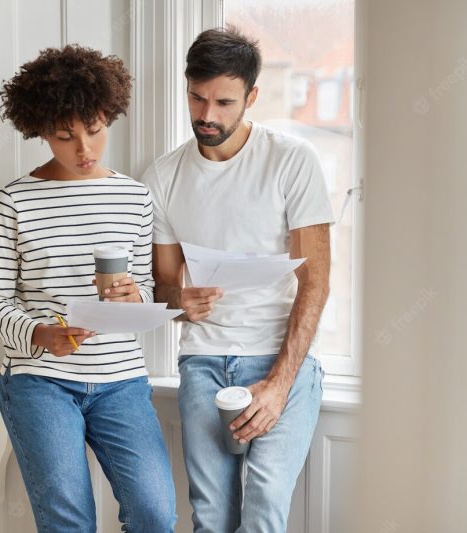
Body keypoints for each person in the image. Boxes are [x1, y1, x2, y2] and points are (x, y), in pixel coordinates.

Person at [141, 27, 334, 533]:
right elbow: (163, 289)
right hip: (202, 360)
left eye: (224, 102)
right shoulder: (163, 177)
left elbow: (317, 281)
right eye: (197, 98)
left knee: (264, 507)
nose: (207, 115)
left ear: (251, 97)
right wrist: (179, 300)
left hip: (279, 356)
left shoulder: (291, 160)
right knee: (210, 516)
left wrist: (278, 384)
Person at [0, 44, 176, 533]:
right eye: (66, 137)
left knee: (155, 514)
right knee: (69, 522)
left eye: (94, 130)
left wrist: (136, 298)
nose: (84, 149)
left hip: (121, 381)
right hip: (38, 381)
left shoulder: (134, 197)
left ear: (108, 116)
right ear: (41, 130)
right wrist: (39, 333)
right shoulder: (15, 201)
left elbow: (147, 290)